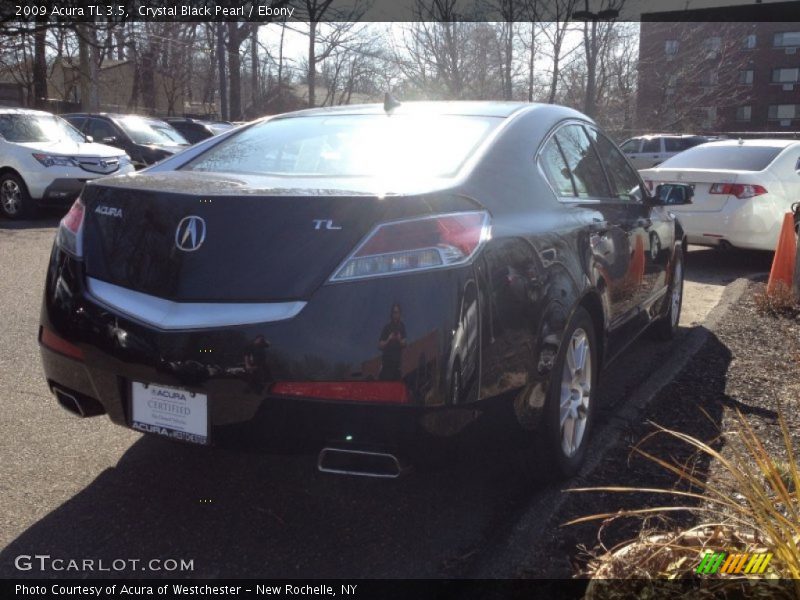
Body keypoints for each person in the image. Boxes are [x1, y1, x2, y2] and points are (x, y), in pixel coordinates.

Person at [378, 303, 407, 381]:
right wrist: (388, 339)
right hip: (387, 366)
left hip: (397, 367)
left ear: (400, 313)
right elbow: (380, 345)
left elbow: (404, 343)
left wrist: (399, 339)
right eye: (394, 312)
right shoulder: (387, 328)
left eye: (397, 312)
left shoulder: (402, 327)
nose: (395, 314)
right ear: (391, 314)